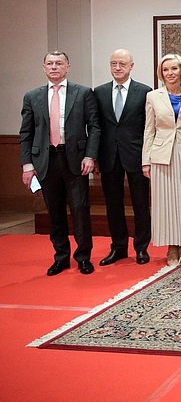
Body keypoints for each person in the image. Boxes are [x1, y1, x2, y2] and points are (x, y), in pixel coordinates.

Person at [20, 51, 100, 276]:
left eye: (59, 63)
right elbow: (26, 132)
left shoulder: (83, 93)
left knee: (80, 209)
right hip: (46, 160)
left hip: (75, 159)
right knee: (54, 211)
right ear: (44, 67)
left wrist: (90, 156)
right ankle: (61, 257)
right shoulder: (32, 96)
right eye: (50, 63)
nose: (54, 67)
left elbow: (94, 126)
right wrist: (27, 164)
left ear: (68, 67)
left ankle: (83, 257)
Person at [142, 54, 181, 266]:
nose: (170, 73)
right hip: (161, 156)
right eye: (165, 70)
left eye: (174, 69)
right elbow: (148, 130)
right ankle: (171, 247)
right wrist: (145, 160)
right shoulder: (153, 96)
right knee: (165, 204)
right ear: (161, 74)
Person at [93, 49, 152, 266]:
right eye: (113, 63)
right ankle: (118, 248)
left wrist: (148, 156)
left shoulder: (144, 91)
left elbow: (149, 127)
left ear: (131, 66)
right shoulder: (98, 92)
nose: (117, 67)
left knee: (140, 203)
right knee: (113, 204)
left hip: (136, 155)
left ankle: (141, 248)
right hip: (108, 156)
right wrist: (95, 156)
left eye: (122, 64)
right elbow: (95, 126)